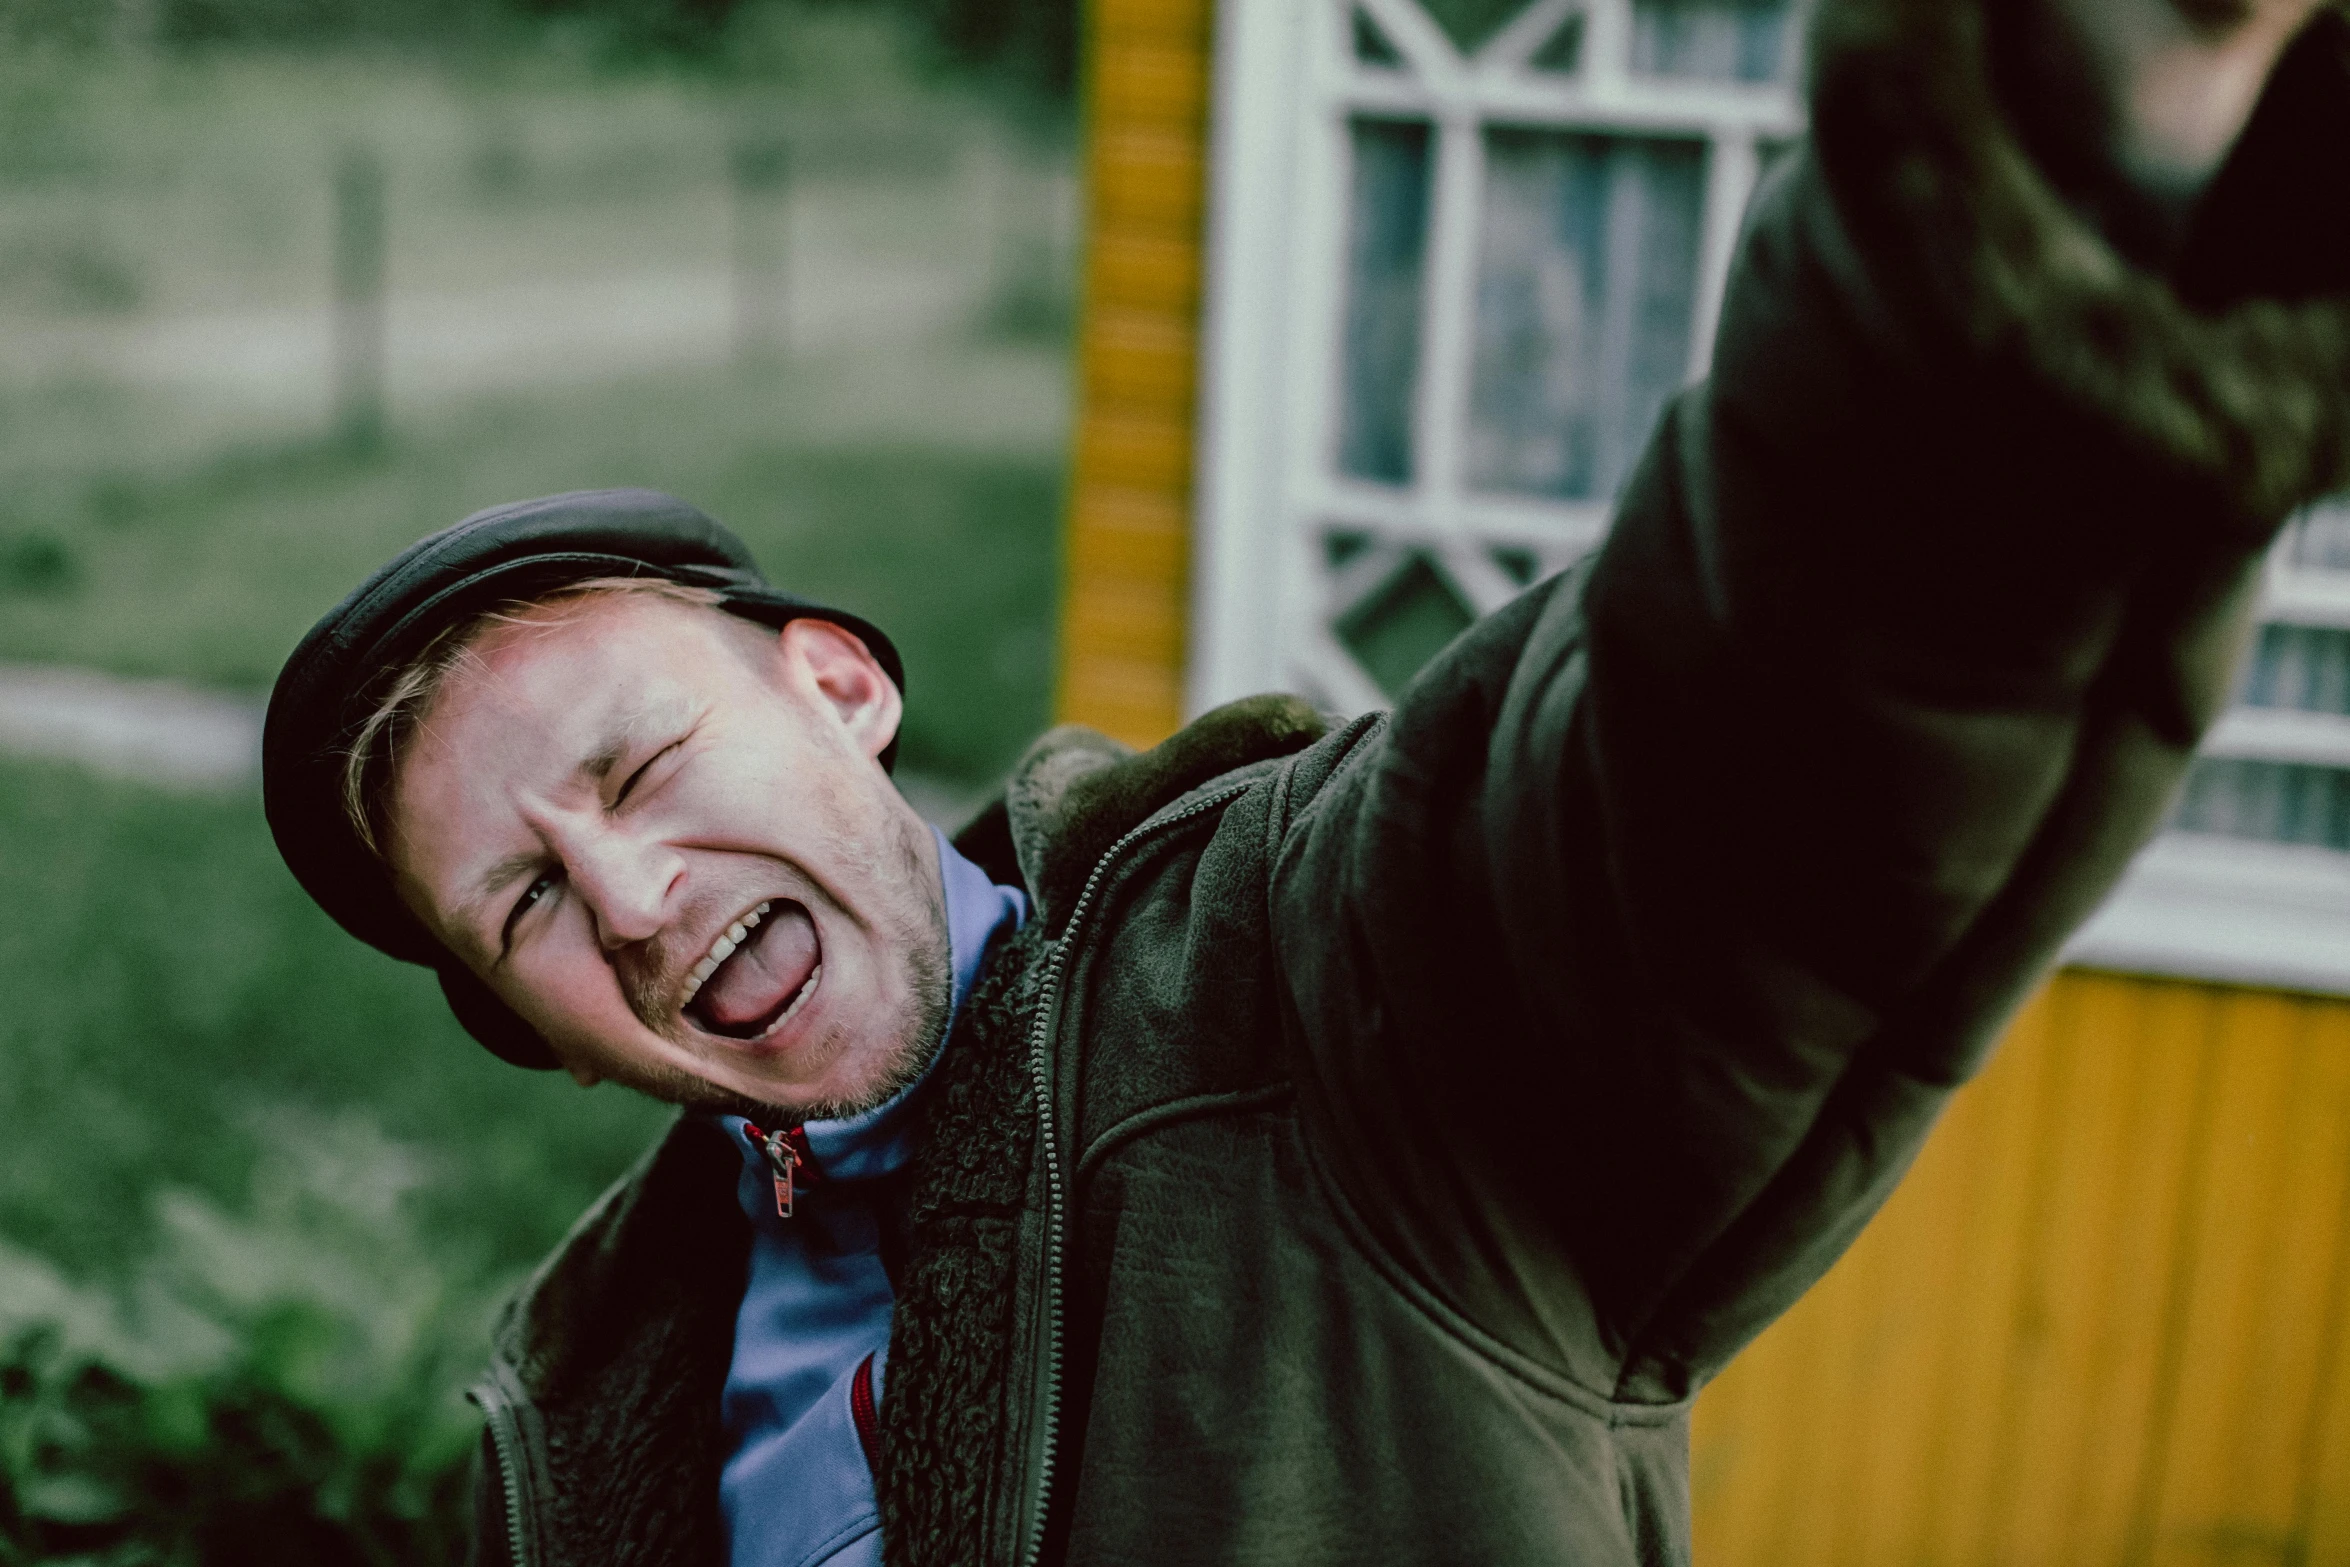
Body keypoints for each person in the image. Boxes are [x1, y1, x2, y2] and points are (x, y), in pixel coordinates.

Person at [258, 0, 2350, 1562]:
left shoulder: (1320, 985)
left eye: (639, 762)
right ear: (524, 1030)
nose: (625, 898)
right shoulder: (578, 1412)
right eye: (523, 906)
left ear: (840, 687)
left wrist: (2049, 176)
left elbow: (1757, 723)